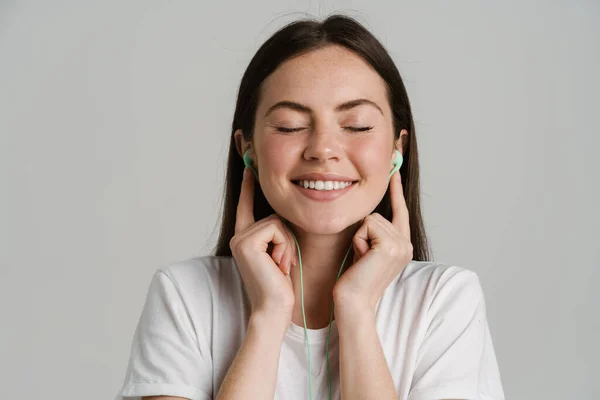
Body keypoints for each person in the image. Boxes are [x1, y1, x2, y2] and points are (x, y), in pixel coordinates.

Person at [115, 14, 505, 400]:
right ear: (246, 148)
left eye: (356, 126)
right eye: (289, 125)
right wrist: (268, 316)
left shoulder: (444, 301)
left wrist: (355, 309)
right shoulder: (185, 295)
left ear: (397, 149)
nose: (323, 149)